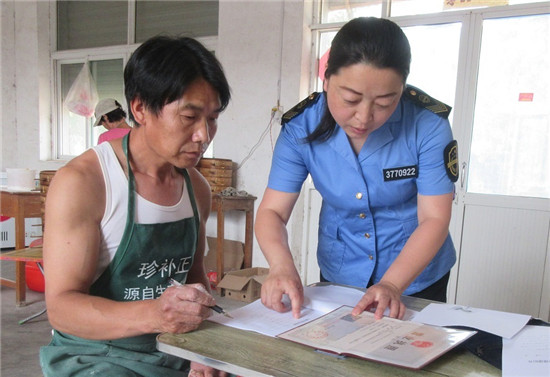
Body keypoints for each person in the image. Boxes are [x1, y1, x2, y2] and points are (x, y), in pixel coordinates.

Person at [40, 35, 231, 377]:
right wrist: (157, 315)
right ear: (141, 108)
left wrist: (207, 349)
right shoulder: (85, 182)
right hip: (98, 355)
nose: (204, 134)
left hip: (174, 349)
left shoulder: (197, 188)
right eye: (189, 116)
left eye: (213, 118)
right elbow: (62, 308)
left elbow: (194, 279)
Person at [255, 17, 458, 321]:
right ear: (326, 81)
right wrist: (281, 266)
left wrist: (391, 283)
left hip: (415, 279)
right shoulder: (300, 128)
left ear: (401, 89)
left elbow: (434, 217)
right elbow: (272, 212)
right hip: (340, 271)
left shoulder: (427, 126)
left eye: (385, 102)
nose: (364, 117)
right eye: (350, 99)